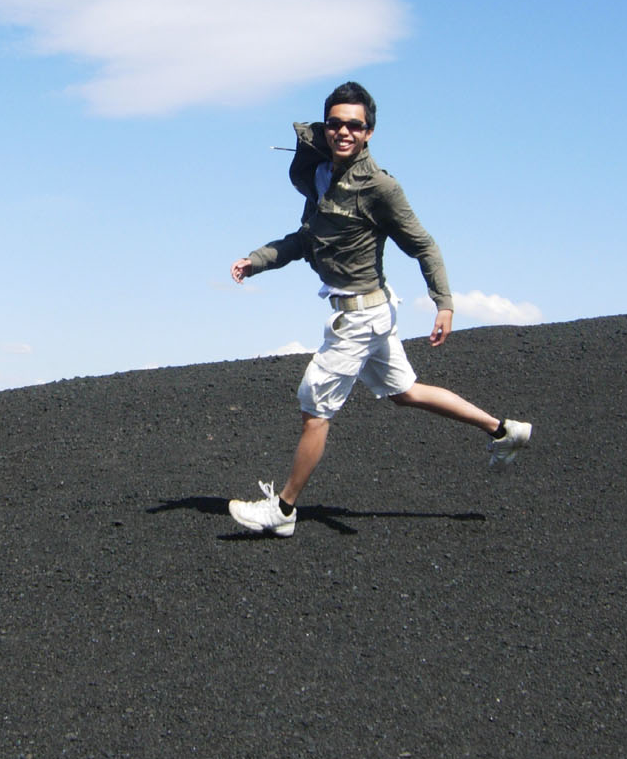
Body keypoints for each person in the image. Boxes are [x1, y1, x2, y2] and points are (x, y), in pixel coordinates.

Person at [228, 81, 532, 537]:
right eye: (335, 124)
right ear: (325, 128)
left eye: (355, 125)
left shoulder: (379, 187)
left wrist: (444, 303)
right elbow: (305, 239)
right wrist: (257, 261)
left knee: (315, 409)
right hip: (374, 310)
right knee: (405, 393)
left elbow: (423, 244)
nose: (343, 132)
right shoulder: (322, 177)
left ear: (369, 131)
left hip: (359, 318)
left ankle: (284, 510)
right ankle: (504, 431)